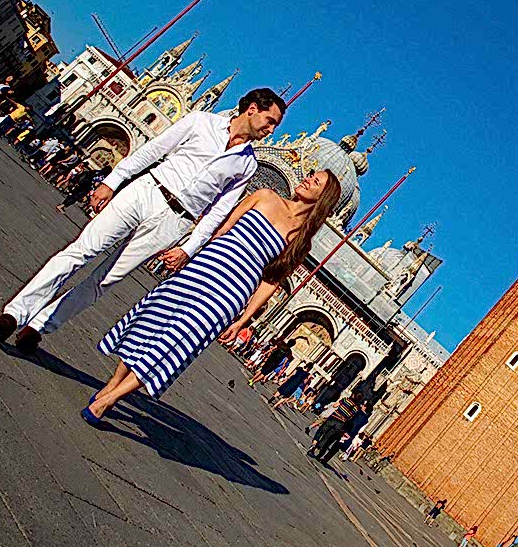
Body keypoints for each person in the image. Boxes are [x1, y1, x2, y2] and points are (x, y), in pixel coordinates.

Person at [0, 88, 285, 353]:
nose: (270, 130)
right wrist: (112, 181)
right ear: (252, 109)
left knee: (105, 280)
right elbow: (153, 150)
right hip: (148, 191)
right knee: (80, 253)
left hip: (175, 221)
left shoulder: (246, 164)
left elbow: (219, 211)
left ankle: (39, 326)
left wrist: (189, 248)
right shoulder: (201, 121)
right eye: (269, 121)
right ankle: (13, 315)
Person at [82, 171, 342, 424]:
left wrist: (243, 320)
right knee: (152, 325)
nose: (307, 178)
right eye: (310, 174)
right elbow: (221, 229)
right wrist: (190, 253)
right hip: (204, 268)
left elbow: (270, 281)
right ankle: (111, 387)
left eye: (315, 181)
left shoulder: (300, 241)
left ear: (322, 199)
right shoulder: (264, 196)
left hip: (230, 294)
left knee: (174, 343)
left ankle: (110, 398)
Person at [308, 392, 364, 464]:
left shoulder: (346, 400)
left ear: (353, 395)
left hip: (334, 418)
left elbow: (335, 405)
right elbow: (351, 417)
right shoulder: (357, 408)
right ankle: (314, 449)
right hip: (340, 423)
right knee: (327, 437)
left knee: (321, 430)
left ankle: (314, 444)